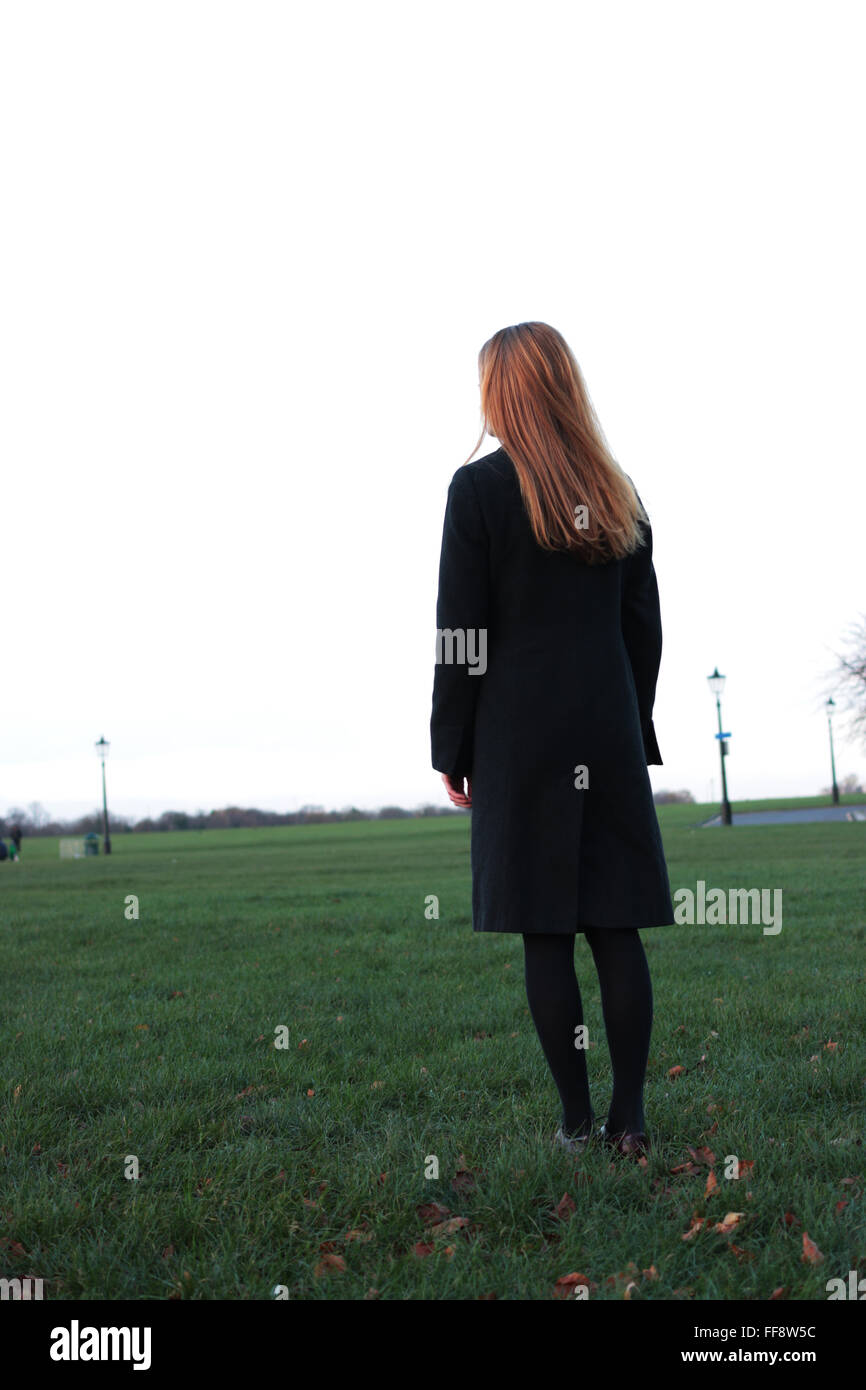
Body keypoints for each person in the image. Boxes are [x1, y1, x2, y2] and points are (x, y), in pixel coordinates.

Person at [430, 322, 675, 1159]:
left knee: (546, 932)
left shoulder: (479, 492)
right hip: (604, 736)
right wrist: (623, 716)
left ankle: (576, 1122)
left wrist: (450, 744)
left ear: (502, 394)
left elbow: (462, 635)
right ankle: (630, 1120)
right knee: (617, 926)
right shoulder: (618, 491)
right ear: (565, 386)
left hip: (518, 742)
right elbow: (644, 630)